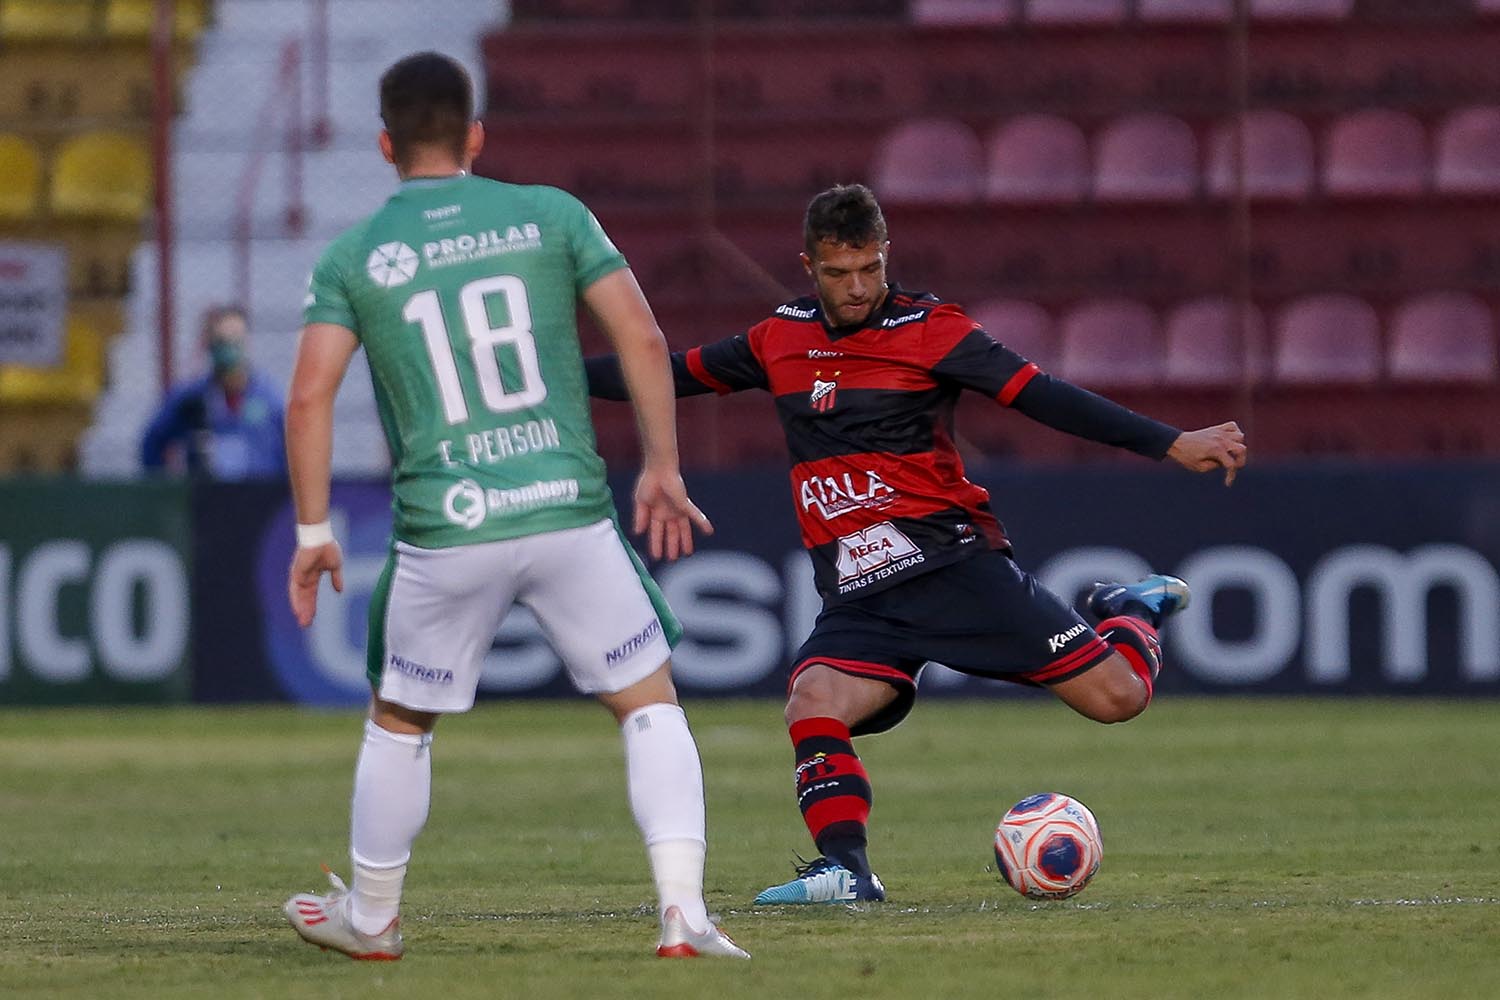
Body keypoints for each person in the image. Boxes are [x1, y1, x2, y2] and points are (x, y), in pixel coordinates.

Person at [585, 183, 1247, 905]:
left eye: (869, 268)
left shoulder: (933, 330)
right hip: (861, 597)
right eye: (839, 273)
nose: (857, 287)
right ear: (808, 266)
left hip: (953, 567)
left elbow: (1045, 395)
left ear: (885, 254)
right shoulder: (778, 338)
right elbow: (668, 372)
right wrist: (551, 382)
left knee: (1119, 699)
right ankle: (847, 871)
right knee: (813, 700)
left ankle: (1134, 610)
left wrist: (1170, 442)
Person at [280, 52, 748, 961]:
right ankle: (684, 916)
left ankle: (371, 921)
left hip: (446, 526)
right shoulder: (551, 214)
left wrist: (312, 530)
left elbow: (308, 398)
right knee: (649, 704)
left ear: (384, 145)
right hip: (565, 510)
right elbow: (642, 335)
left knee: (399, 720)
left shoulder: (354, 256)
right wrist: (661, 465)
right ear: (476, 136)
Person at [139, 305, 286, 478]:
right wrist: (167, 485)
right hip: (207, 492)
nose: (228, 347)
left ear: (246, 341)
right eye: (221, 341)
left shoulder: (271, 399)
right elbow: (152, 442)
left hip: (262, 492)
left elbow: (292, 452)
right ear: (210, 344)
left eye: (234, 339)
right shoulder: (190, 399)